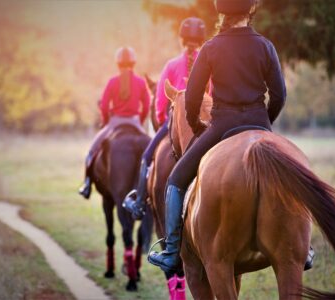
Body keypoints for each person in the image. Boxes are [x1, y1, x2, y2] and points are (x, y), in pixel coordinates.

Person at [148, 0, 315, 273]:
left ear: (221, 12)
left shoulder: (211, 48)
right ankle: (303, 247)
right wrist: (263, 123)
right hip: (259, 123)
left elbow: (191, 97)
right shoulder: (265, 46)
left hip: (220, 127)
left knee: (176, 180)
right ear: (251, 10)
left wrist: (196, 125)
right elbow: (280, 95)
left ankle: (171, 251)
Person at [122, 17, 206, 219]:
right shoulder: (208, 64)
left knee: (145, 157)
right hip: (205, 124)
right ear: (201, 40)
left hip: (174, 122)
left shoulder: (170, 65)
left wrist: (163, 121)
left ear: (181, 40)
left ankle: (140, 201)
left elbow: (160, 102)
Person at [79, 47, 150, 199]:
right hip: (135, 122)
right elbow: (147, 104)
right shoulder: (140, 82)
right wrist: (140, 121)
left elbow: (104, 106)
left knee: (91, 152)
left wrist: (106, 122)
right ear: (134, 63)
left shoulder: (112, 82)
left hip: (114, 122)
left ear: (118, 64)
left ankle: (86, 184)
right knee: (152, 151)